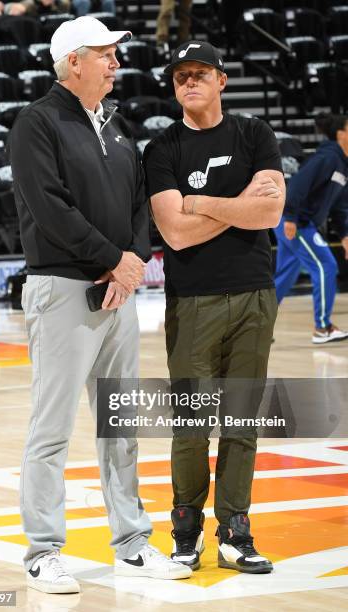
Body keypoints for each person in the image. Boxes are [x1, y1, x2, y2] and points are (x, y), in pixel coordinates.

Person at [9, 16, 192, 595]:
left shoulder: (117, 126)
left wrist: (132, 261)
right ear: (73, 62)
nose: (116, 63)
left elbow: (139, 203)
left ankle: (133, 544)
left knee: (121, 426)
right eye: (106, 54)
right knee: (53, 427)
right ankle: (43, 552)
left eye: (115, 54)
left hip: (119, 290)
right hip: (63, 289)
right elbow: (51, 208)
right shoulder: (36, 123)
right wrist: (111, 260)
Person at [143, 41, 285, 574]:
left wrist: (198, 201)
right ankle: (185, 529)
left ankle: (235, 530)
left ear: (222, 80)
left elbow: (271, 212)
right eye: (180, 76)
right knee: (191, 423)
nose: (189, 82)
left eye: (200, 73)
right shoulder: (161, 149)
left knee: (243, 419)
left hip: (254, 294)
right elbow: (175, 234)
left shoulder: (255, 134)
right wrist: (239, 205)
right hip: (192, 301)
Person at [274, 113, 348, 344]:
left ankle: (252, 329)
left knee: (285, 276)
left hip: (296, 222)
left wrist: (344, 234)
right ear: (341, 134)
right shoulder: (327, 158)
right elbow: (297, 184)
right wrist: (290, 217)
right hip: (296, 223)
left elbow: (339, 205)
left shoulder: (342, 165)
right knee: (326, 265)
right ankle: (323, 327)